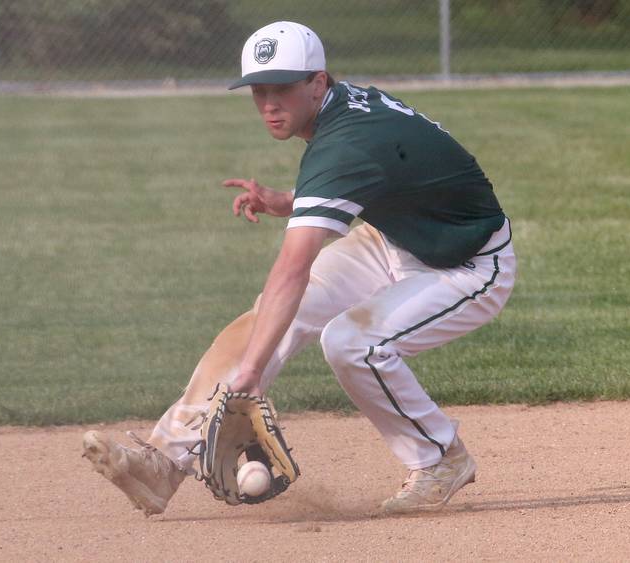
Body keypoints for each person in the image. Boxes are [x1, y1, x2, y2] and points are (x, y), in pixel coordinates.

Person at [82, 20, 516, 516]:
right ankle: (163, 463)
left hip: (467, 265)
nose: (269, 103)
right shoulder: (340, 112)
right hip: (391, 239)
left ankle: (440, 457)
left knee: (353, 343)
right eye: (259, 90)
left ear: (317, 82)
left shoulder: (345, 144)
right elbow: (383, 177)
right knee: (267, 316)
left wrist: (250, 375)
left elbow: (293, 268)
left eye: (283, 88)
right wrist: (291, 201)